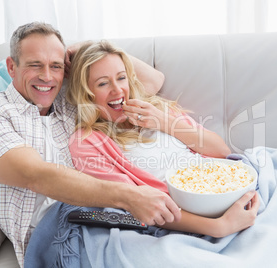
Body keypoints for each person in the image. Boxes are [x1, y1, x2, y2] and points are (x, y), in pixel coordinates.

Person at [0, 22, 181, 267]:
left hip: (109, 217)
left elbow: (152, 82)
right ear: (12, 67)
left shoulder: (67, 101)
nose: (47, 76)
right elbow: (35, 175)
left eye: (55, 66)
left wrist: (86, 48)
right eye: (35, 65)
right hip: (60, 234)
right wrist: (130, 196)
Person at [66, 40, 260, 237]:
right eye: (103, 83)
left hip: (232, 187)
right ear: (87, 94)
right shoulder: (87, 142)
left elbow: (222, 151)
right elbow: (137, 203)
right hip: (193, 215)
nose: (117, 90)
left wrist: (163, 121)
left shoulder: (154, 108)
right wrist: (219, 227)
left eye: (121, 78)